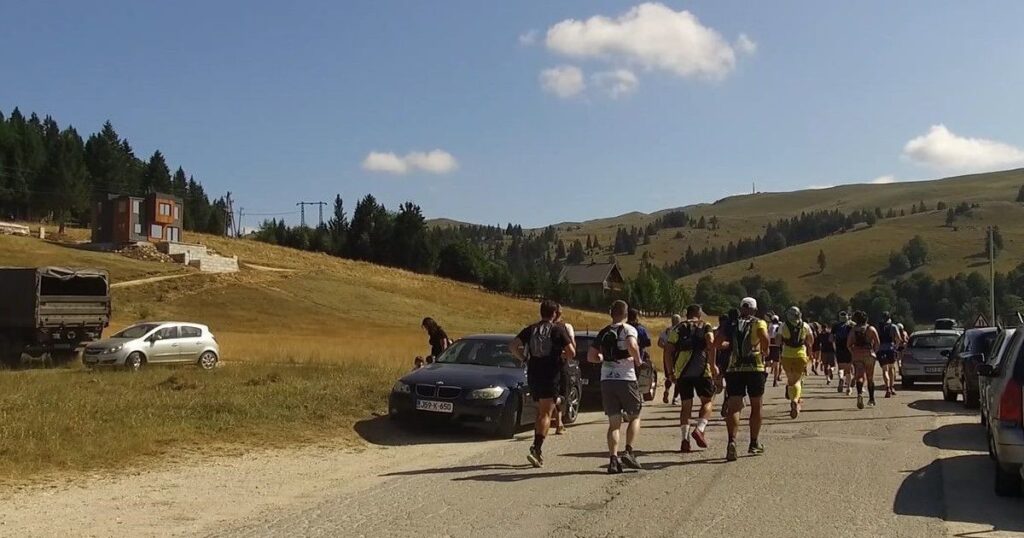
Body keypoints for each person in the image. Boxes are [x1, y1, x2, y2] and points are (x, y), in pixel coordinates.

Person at [510, 300, 576, 468]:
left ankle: (537, 445)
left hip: (533, 373)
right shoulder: (557, 329)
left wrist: (524, 357)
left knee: (541, 411)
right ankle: (536, 448)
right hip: (550, 373)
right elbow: (571, 352)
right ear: (554, 314)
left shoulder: (531, 329)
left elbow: (513, 346)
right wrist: (561, 357)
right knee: (546, 413)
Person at [588, 300, 644, 474]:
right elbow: (632, 345)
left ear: (611, 313)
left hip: (607, 379)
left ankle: (613, 459)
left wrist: (604, 359)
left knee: (614, 423)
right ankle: (628, 451)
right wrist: (638, 360)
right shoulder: (628, 329)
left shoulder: (604, 332)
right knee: (635, 415)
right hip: (626, 378)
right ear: (626, 314)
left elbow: (591, 356)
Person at [664, 304, 717, 453]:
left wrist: (670, 372)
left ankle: (684, 439)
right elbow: (711, 343)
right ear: (699, 314)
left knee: (686, 406)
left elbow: (668, 351)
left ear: (687, 314)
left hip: (682, 372)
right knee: (707, 401)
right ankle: (700, 429)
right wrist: (713, 365)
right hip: (702, 371)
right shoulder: (706, 325)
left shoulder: (677, 328)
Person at [723, 297, 770, 461]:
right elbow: (764, 337)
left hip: (734, 368)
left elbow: (715, 342)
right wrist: (764, 351)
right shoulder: (759, 322)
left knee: (735, 406)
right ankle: (754, 442)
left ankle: (732, 441)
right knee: (756, 406)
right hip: (754, 368)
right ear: (755, 310)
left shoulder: (731, 323)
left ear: (741, 308)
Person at [778, 306, 814, 419]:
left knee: (790, 380)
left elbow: (778, 340)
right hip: (801, 355)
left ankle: (793, 398)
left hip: (787, 355)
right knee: (797, 380)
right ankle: (795, 400)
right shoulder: (805, 326)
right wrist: (809, 350)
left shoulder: (783, 326)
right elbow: (811, 340)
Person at [550, 306, 576, 435]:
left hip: (545, 365)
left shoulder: (542, 327)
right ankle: (558, 422)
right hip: (561, 363)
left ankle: (557, 421)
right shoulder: (567, 327)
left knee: (550, 391)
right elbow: (572, 348)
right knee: (563, 393)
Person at [847, 310, 880, 409]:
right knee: (870, 377)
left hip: (857, 354)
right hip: (869, 353)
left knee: (859, 376)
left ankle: (860, 393)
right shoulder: (871, 329)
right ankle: (871, 399)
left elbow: (848, 344)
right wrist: (874, 352)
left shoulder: (853, 330)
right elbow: (877, 343)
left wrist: (853, 352)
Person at [876, 312, 904, 398]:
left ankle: (887, 387)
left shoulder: (878, 327)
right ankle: (892, 387)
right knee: (892, 368)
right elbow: (899, 339)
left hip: (881, 349)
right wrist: (896, 347)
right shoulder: (893, 326)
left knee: (885, 370)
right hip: (891, 349)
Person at [658, 314, 683, 404]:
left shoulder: (666, 331)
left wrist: (667, 348)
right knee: (679, 376)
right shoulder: (681, 330)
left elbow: (659, 343)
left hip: (667, 356)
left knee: (669, 375)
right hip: (678, 355)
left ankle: (667, 390)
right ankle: (675, 397)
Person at [832, 312, 855, 394]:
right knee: (848, 370)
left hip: (839, 348)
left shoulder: (835, 326)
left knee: (840, 367)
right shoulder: (851, 326)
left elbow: (831, 338)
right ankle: (848, 388)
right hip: (849, 348)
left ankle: (841, 378)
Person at [766, 315, 783, 387]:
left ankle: (764, 377)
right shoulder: (779, 327)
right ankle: (775, 381)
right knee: (777, 364)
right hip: (776, 346)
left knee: (766, 363)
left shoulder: (769, 326)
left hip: (769, 345)